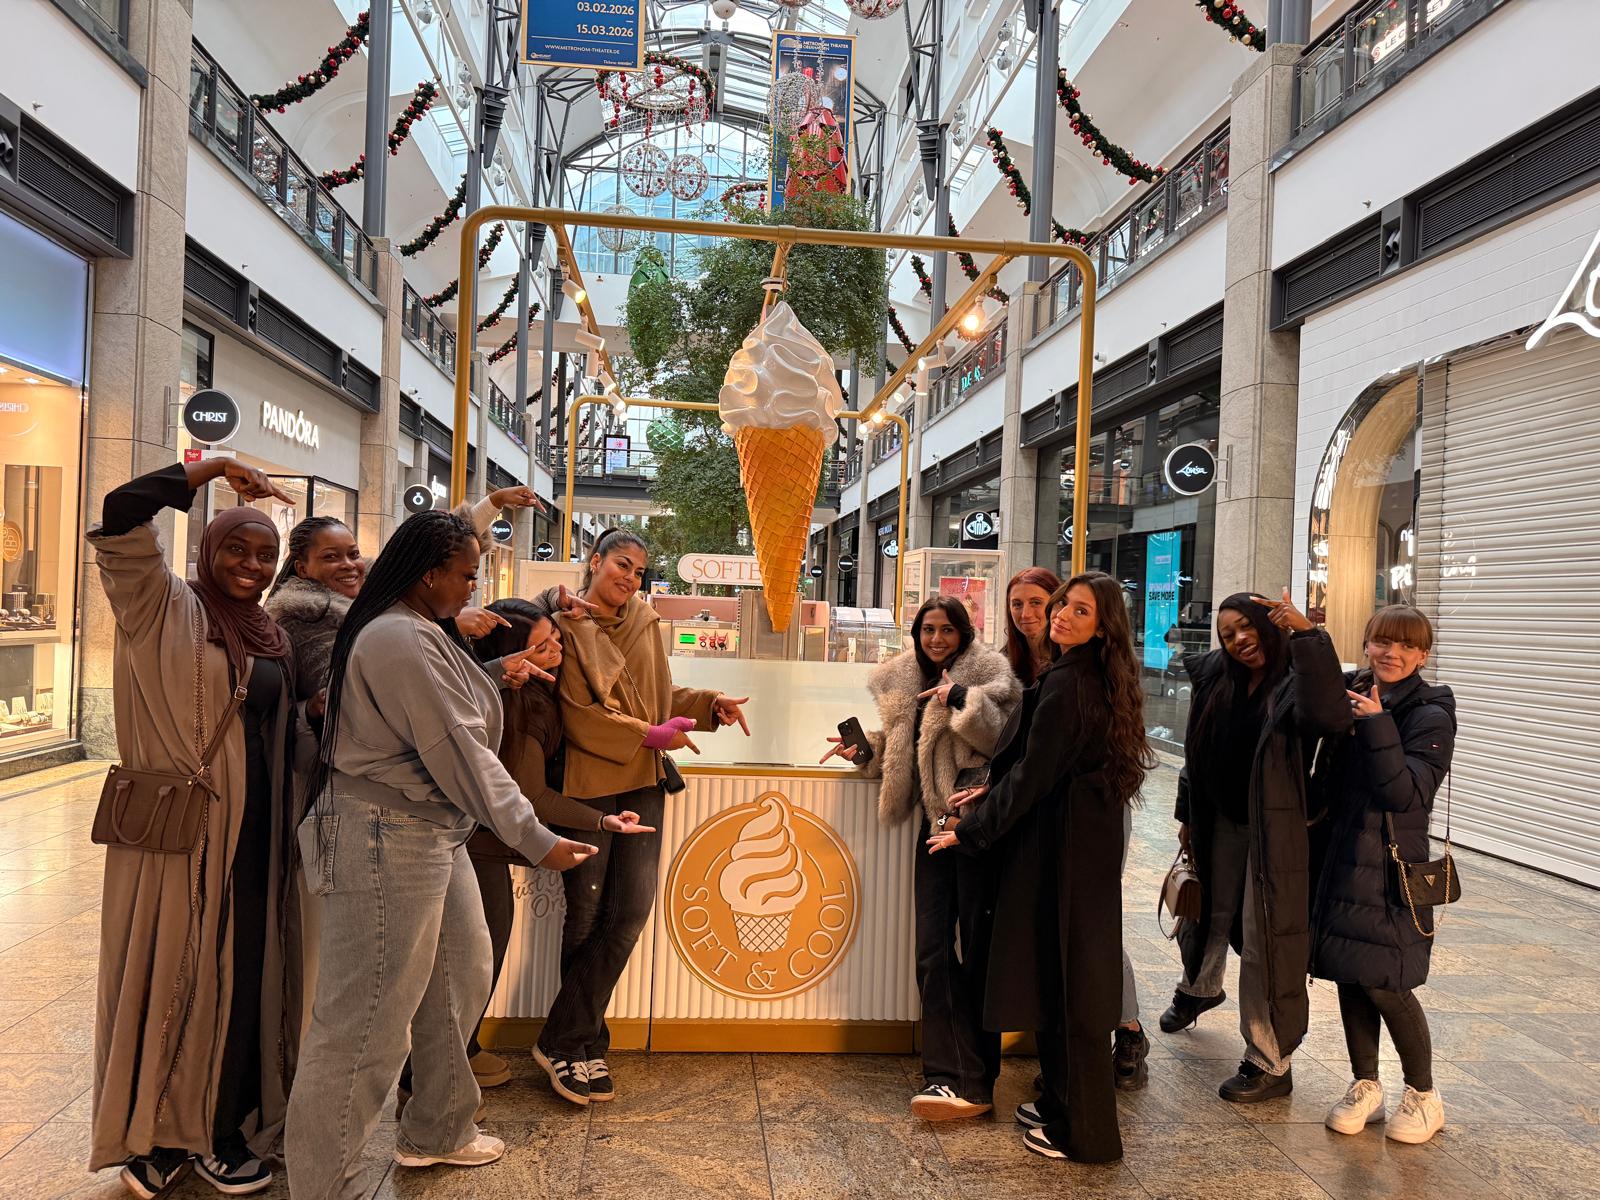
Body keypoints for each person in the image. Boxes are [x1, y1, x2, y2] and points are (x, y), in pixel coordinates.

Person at [284, 511, 598, 1200]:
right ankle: (324, 1186)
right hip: (384, 834)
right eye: (465, 573)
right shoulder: (398, 634)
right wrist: (535, 838)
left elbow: (447, 721)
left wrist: (495, 667)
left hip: (427, 830)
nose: (473, 585)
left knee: (461, 970)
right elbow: (460, 749)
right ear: (429, 575)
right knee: (365, 1022)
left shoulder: (417, 627)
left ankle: (438, 1126)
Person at [87, 458, 305, 1198]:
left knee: (241, 980)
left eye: (266, 554)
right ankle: (156, 1136)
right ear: (208, 549)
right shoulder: (161, 605)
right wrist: (210, 468)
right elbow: (121, 511)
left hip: (256, 834)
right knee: (171, 973)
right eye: (236, 549)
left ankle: (220, 1128)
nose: (252, 565)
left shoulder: (268, 632)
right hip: (182, 833)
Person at [394, 598, 656, 1114]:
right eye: (542, 645)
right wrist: (600, 821)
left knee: (473, 965)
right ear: (512, 652)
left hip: (479, 844)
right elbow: (530, 795)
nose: (556, 648)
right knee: (473, 968)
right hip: (478, 846)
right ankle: (425, 1087)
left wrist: (554, 603)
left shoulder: (519, 690)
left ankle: (455, 1062)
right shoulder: (518, 706)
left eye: (556, 638)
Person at [928, 572, 1155, 1162]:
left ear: (1102, 627)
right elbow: (1045, 764)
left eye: (1080, 611)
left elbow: (1034, 775)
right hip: (1069, 841)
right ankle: (1060, 1105)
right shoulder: (1080, 673)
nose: (1060, 615)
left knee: (1072, 985)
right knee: (1057, 980)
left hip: (1068, 850)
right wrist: (988, 796)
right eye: (1063, 605)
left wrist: (971, 829)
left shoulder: (1073, 682)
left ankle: (1084, 1132)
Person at [533, 527, 750, 1105]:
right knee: (585, 917)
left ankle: (562, 1038)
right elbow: (577, 713)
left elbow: (655, 695)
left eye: (637, 570)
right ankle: (581, 1046)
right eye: (620, 565)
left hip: (642, 782)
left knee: (628, 912)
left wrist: (707, 705)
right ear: (594, 562)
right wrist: (648, 734)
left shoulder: (645, 621)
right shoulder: (564, 624)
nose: (628, 578)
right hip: (586, 786)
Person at [824, 595, 1021, 1121]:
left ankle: (977, 1080)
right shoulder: (907, 679)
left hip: (975, 830)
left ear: (964, 633)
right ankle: (944, 1073)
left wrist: (959, 698)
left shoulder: (991, 676)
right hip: (934, 830)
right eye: (928, 630)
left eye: (946, 630)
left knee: (976, 953)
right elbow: (907, 749)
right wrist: (865, 751)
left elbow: (1002, 742)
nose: (936, 639)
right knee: (932, 950)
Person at [1164, 590, 1352, 1103]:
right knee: (1207, 910)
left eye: (1247, 627)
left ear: (1271, 626)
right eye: (1228, 634)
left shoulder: (1297, 677)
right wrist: (1187, 815)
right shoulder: (1217, 677)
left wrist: (1308, 635)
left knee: (1262, 938)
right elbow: (1195, 753)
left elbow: (1330, 717)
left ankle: (1269, 1059)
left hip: (1274, 829)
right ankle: (1200, 988)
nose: (1239, 640)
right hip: (1218, 818)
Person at [1313, 605, 1455, 1144]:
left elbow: (1406, 793)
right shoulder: (1352, 690)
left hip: (1391, 865)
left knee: (1387, 982)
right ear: (1367, 644)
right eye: (1382, 642)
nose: (1392, 653)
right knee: (1351, 973)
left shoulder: (1431, 713)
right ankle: (1366, 1085)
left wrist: (1375, 724)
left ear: (1423, 655)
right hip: (1343, 856)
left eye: (1406, 645)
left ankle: (1423, 1095)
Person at [1004, 567, 1149, 1090]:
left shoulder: (1082, 668)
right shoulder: (1012, 663)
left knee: (1089, 928)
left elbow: (1048, 758)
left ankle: (1124, 1029)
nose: (1033, 613)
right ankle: (1067, 1061)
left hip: (1086, 815)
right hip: (1047, 811)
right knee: (1063, 931)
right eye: (1017, 603)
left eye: (1041, 602)